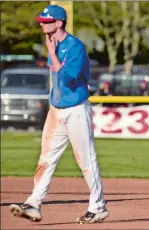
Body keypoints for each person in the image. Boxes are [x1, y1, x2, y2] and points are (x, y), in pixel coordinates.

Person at [9, 5, 108, 224]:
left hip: (76, 110)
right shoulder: (53, 44)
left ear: (59, 23)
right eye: (42, 21)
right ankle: (34, 203)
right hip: (57, 110)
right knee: (46, 159)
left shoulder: (75, 47)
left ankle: (98, 206)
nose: (42, 24)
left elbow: (68, 79)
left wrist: (52, 54)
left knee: (86, 160)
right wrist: (52, 52)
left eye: (47, 20)